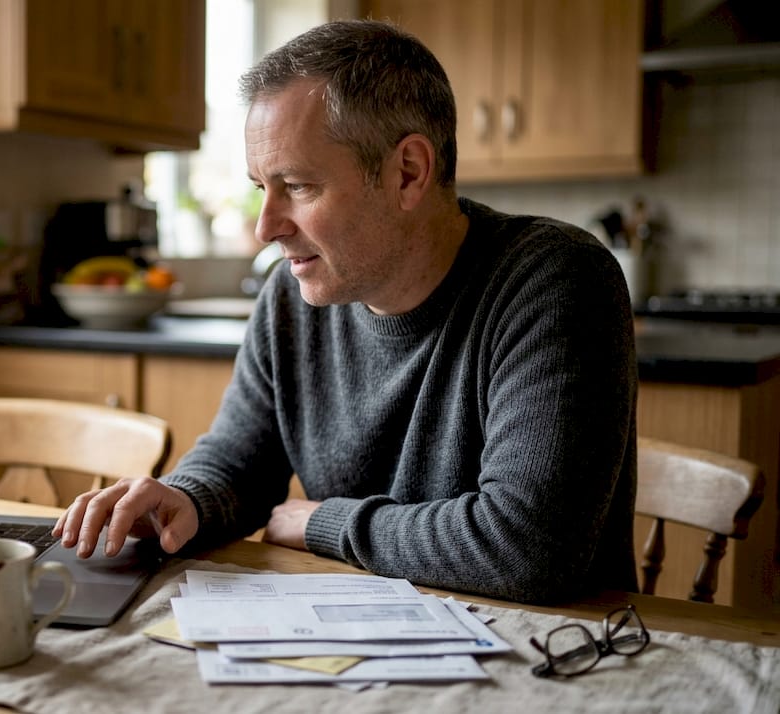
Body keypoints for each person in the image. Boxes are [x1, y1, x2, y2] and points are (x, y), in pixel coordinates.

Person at [53, 19, 638, 603]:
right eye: (262, 188)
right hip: (358, 639)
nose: (266, 228)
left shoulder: (554, 278)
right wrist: (183, 498)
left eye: (299, 187)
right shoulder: (291, 295)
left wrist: (323, 523)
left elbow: (527, 548)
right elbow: (238, 464)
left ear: (407, 173)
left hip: (556, 652)